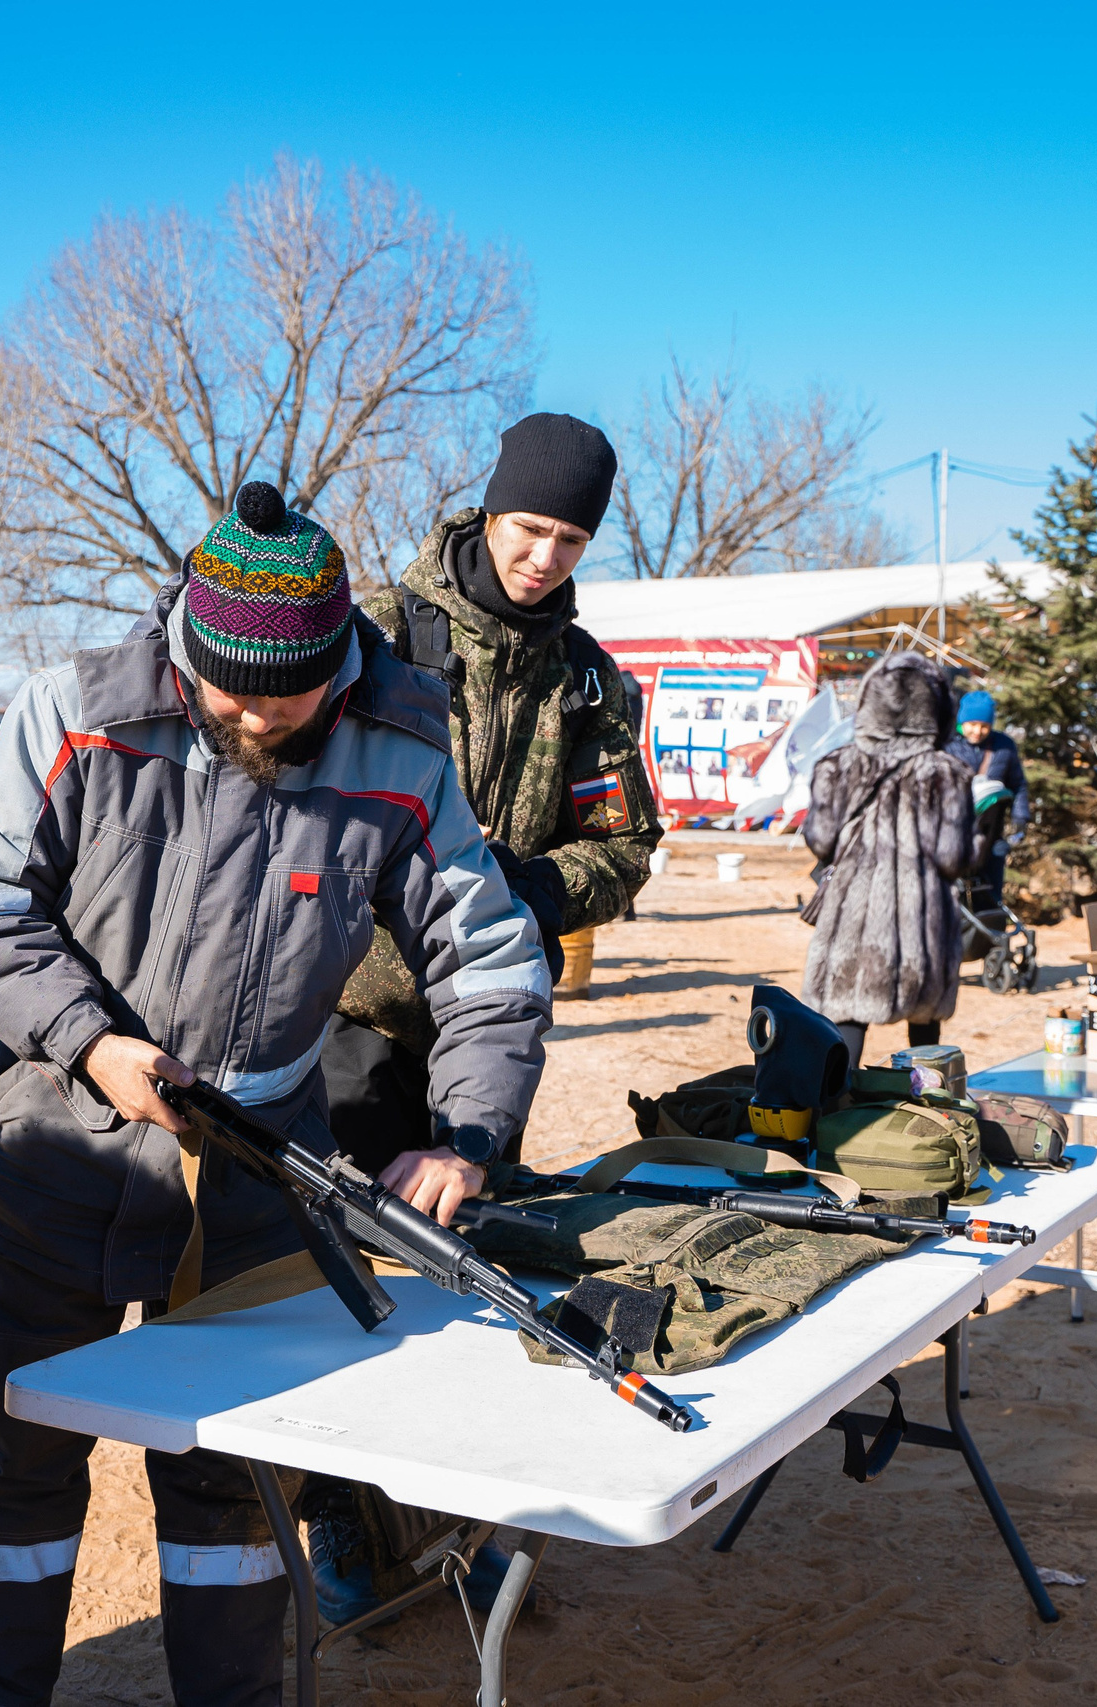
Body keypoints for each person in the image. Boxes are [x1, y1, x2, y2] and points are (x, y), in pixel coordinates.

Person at [0, 481, 554, 1707]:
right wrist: (89, 1042)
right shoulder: (78, 711)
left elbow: (488, 960)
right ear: (184, 649)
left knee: (236, 1481)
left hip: (260, 1185)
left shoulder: (404, 751)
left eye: (287, 696)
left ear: (338, 664)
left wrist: (468, 1135)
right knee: (14, 1458)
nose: (255, 716)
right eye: (227, 690)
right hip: (58, 1151)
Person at [311, 412, 657, 1623]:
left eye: (570, 540)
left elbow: (626, 845)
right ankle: (345, 1520)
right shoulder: (374, 640)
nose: (543, 558)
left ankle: (464, 1528)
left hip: (489, 1024)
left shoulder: (588, 681)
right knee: (345, 1281)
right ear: (488, 509)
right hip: (348, 1013)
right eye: (528, 528)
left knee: (471, 1271)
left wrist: (527, 891)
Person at [802, 652, 980, 1055]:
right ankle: (924, 1093)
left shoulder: (837, 765)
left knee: (846, 1018)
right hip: (922, 920)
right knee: (925, 1033)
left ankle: (841, 1092)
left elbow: (821, 842)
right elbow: (953, 858)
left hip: (852, 917)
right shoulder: (946, 773)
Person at [944, 688, 1030, 909]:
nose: (977, 731)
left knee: (990, 895)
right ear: (962, 721)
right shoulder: (948, 746)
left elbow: (1018, 784)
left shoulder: (1004, 746)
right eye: (972, 724)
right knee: (952, 898)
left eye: (984, 725)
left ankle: (991, 926)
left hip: (991, 833)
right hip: (955, 834)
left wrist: (1020, 817)